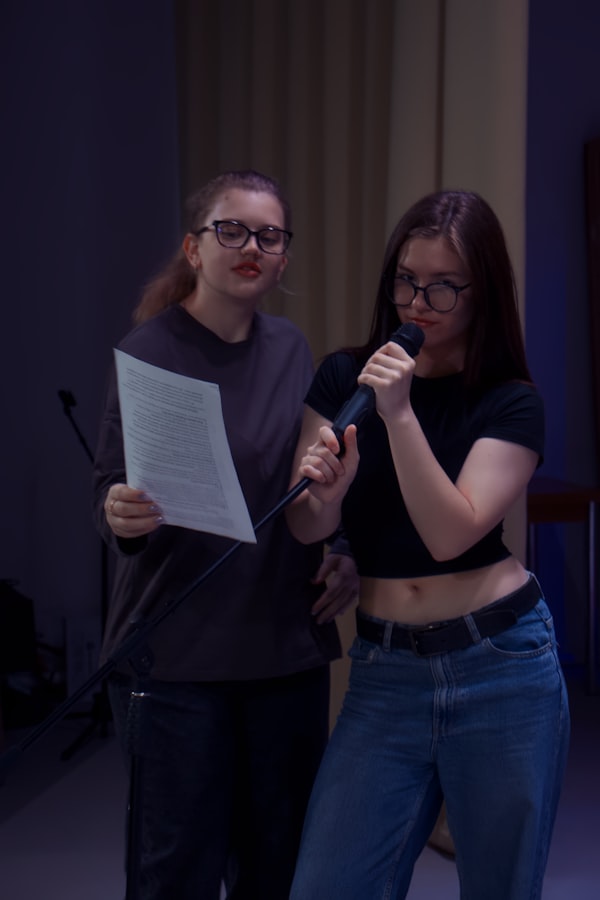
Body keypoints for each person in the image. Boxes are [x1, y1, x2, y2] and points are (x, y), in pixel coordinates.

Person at [285, 189, 570, 899]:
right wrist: (328, 495)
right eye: (407, 280)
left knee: (500, 885)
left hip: (500, 664)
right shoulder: (342, 375)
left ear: (484, 292)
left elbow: (450, 534)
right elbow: (306, 526)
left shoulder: (510, 401)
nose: (419, 301)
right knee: (328, 883)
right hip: (385, 670)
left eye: (443, 286)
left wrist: (400, 414)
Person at [92, 169, 358, 900]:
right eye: (231, 230)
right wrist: (119, 510)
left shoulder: (291, 348)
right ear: (193, 248)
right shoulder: (148, 351)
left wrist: (338, 552)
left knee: (279, 865)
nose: (251, 246)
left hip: (281, 649)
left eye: (269, 236)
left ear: (283, 257)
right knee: (175, 870)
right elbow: (107, 489)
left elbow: (299, 482)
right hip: (176, 659)